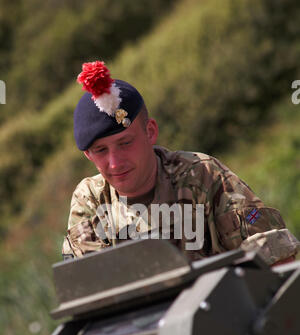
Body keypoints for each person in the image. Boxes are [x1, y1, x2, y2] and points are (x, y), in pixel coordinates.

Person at [62, 61, 299, 266]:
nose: (114, 163)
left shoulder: (203, 175)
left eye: (125, 143)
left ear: (150, 132)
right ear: (88, 155)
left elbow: (275, 257)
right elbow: (89, 293)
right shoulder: (90, 200)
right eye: (101, 150)